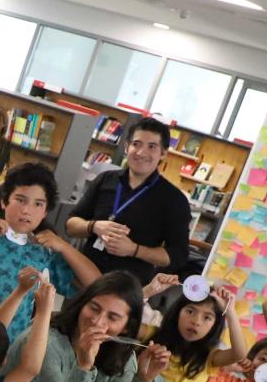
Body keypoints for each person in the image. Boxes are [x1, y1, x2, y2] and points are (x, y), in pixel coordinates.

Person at [0, 163, 99, 344]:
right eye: (20, 199)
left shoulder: (44, 253)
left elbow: (97, 284)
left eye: (38, 204)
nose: (26, 210)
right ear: (3, 201)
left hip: (6, 349)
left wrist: (64, 246)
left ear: (45, 211)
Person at [1, 271, 167, 382]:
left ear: (126, 327)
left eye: (112, 317)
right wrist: (84, 366)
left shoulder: (122, 353)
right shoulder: (47, 344)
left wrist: (143, 379)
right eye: (94, 308)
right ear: (82, 304)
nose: (97, 321)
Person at [63, 118, 191, 282]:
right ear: (126, 147)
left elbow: (178, 256)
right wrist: (93, 226)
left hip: (127, 290)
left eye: (152, 147)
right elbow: (70, 226)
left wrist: (134, 250)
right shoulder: (105, 180)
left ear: (163, 153)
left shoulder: (174, 200)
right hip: (82, 278)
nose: (141, 152)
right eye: (136, 144)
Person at [137, 273, 249, 382]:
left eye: (207, 317)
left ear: (214, 325)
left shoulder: (207, 358)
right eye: (190, 311)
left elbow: (239, 353)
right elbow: (125, 320)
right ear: (177, 312)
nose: (196, 321)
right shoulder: (152, 335)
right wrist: (148, 291)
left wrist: (231, 312)